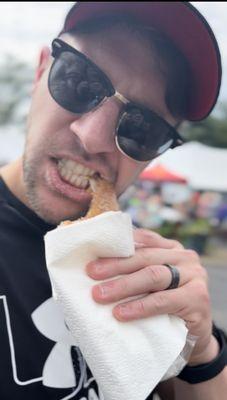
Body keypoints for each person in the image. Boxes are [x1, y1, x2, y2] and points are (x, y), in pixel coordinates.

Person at [0, 2, 226, 399]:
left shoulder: (139, 264)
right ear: (40, 71)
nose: (93, 138)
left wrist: (202, 351)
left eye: (143, 128)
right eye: (80, 82)